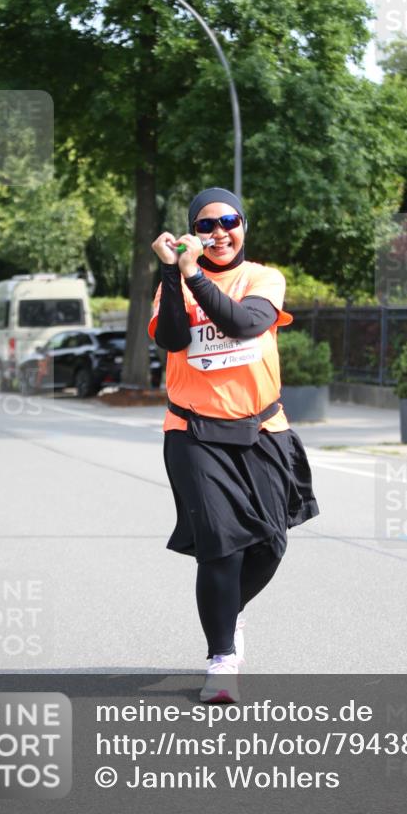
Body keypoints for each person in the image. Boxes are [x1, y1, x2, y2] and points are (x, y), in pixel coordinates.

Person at [149, 187, 319, 703]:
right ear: (192, 234)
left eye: (228, 221)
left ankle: (228, 613)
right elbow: (173, 339)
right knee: (221, 547)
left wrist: (194, 272)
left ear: (243, 224)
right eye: (205, 226)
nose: (219, 232)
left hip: (263, 429)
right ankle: (222, 658)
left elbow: (244, 323)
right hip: (193, 433)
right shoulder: (173, 282)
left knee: (270, 543)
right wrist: (171, 273)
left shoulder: (264, 279)